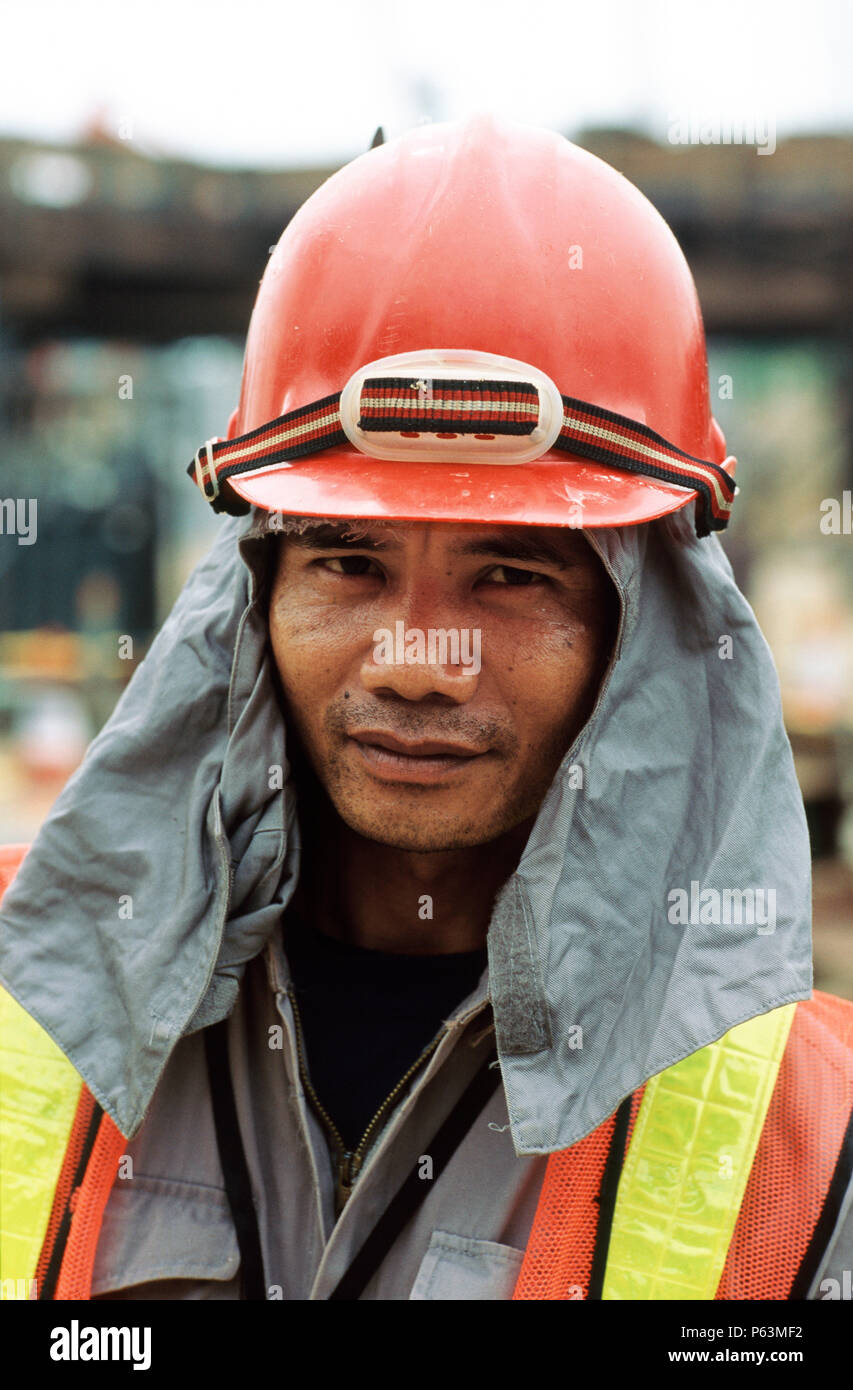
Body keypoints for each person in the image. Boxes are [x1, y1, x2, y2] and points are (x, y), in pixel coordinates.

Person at [1, 114, 851, 1303]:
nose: (416, 659)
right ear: (251, 596)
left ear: (641, 622)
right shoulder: (20, 983)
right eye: (348, 561)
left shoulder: (811, 1140)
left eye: (513, 573)